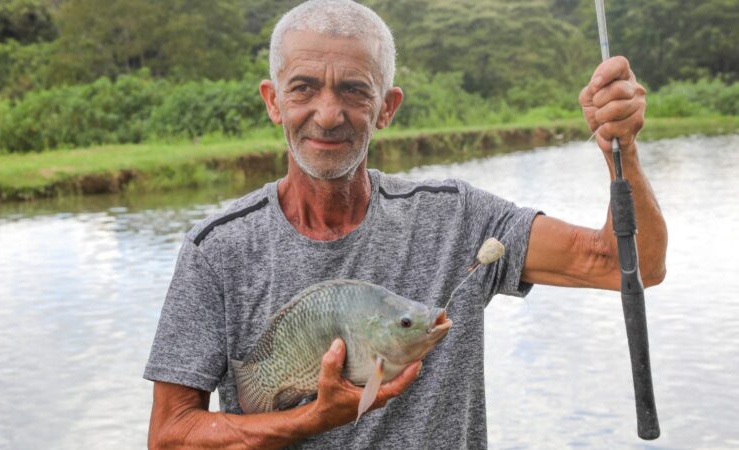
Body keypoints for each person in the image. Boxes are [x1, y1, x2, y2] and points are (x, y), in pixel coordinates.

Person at [143, 0, 667, 448]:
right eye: (303, 88)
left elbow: (634, 264)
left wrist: (621, 147)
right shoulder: (217, 250)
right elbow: (169, 435)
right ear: (273, 102)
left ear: (387, 108)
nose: (328, 114)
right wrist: (309, 418)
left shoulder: (458, 217)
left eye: (354, 90)